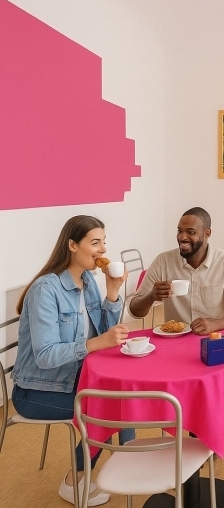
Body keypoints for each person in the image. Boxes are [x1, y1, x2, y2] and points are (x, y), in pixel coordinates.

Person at [11, 215, 131, 506]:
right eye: (95, 242)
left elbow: (104, 334)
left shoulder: (88, 280)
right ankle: (74, 481)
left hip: (75, 380)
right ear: (72, 245)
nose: (103, 249)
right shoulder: (46, 289)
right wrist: (94, 344)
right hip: (36, 392)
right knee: (108, 409)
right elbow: (45, 355)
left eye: (104, 242)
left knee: (123, 396)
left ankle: (129, 465)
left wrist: (112, 293)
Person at [128, 207, 224, 334]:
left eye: (191, 232)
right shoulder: (163, 261)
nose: (182, 237)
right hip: (176, 340)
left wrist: (216, 324)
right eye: (179, 231)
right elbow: (134, 311)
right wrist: (151, 296)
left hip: (215, 338)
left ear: (207, 233)